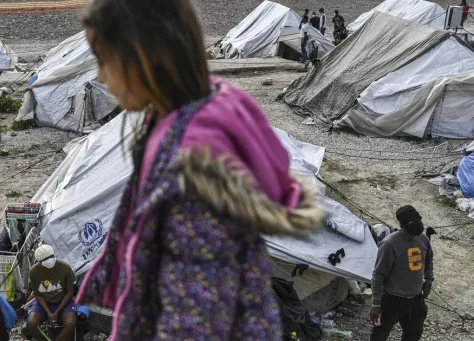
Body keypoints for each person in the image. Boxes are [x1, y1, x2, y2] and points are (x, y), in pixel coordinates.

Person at [76, 0, 325, 340]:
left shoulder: (193, 167)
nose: (100, 76)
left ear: (144, 56)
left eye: (104, 60)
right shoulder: (190, 110)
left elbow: (195, 310)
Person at [370, 206, 434, 341]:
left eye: (419, 220)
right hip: (392, 301)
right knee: (379, 335)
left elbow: (429, 260)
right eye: (414, 222)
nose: (418, 224)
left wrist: (428, 280)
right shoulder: (390, 244)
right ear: (403, 225)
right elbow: (378, 275)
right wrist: (376, 304)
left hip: (416, 300)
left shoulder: (423, 239)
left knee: (413, 335)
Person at [26, 245, 77, 341]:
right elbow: (37, 295)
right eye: (45, 260)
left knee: (70, 323)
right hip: (44, 303)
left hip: (63, 301)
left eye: (50, 257)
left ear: (54, 255)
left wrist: (57, 311)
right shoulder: (34, 271)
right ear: (39, 262)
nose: (49, 261)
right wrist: (48, 312)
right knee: (31, 323)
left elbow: (70, 292)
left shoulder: (65, 268)